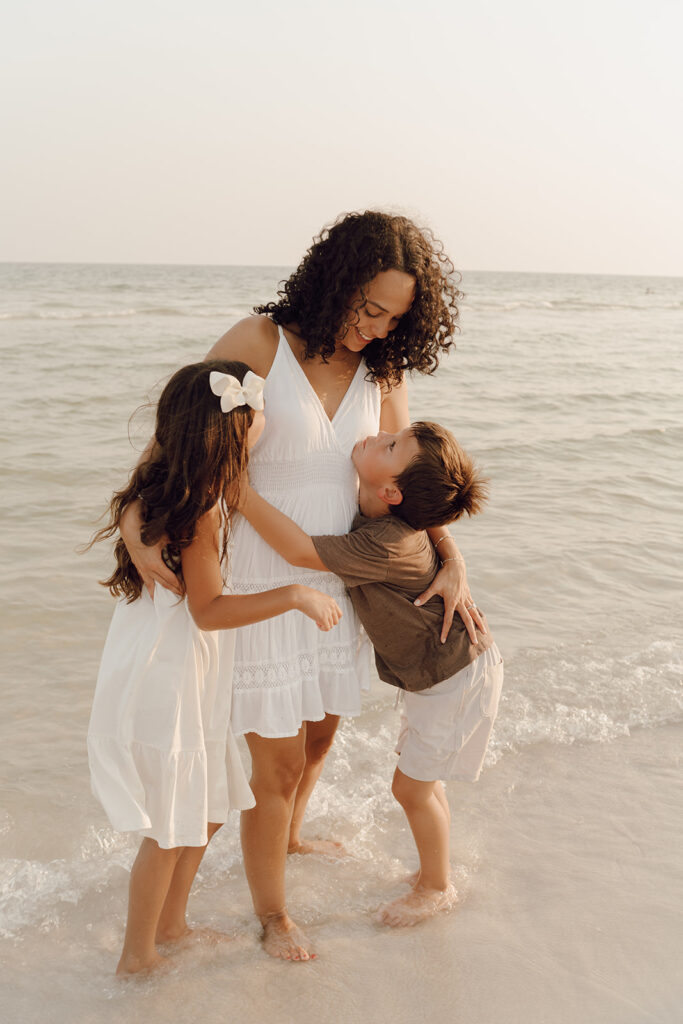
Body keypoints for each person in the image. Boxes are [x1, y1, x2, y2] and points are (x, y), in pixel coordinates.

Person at [120, 211, 487, 960]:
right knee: (274, 764)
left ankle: (283, 839)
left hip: (336, 581)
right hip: (255, 576)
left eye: (393, 316)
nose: (376, 328)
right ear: (334, 283)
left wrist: (450, 557)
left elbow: (406, 485)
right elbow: (175, 441)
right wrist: (131, 523)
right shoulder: (259, 342)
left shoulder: (384, 369)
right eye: (367, 307)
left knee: (318, 738)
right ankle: (273, 916)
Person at [87, 361, 341, 975]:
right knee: (174, 821)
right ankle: (136, 957)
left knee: (205, 808)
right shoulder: (197, 509)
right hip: (170, 674)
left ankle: (170, 927)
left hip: (185, 668)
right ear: (228, 432)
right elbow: (208, 610)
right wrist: (293, 596)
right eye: (255, 415)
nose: (264, 424)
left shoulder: (175, 488)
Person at [239, 420, 504, 927]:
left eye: (390, 445)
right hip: (448, 673)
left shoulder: (384, 542)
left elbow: (298, 550)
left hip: (453, 677)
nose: (377, 436)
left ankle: (435, 885)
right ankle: (435, 869)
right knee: (423, 781)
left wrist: (238, 492)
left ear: (391, 491)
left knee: (411, 789)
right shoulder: (389, 518)